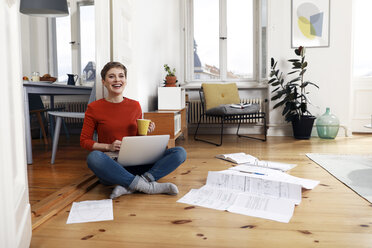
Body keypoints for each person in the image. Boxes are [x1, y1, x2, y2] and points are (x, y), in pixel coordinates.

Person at [80, 61, 187, 199]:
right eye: (111, 76)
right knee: (94, 158)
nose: (117, 80)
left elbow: (137, 138)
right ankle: (148, 186)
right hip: (113, 165)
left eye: (121, 76)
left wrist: (146, 132)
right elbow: (84, 141)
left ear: (125, 80)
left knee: (179, 152)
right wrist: (109, 146)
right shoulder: (94, 108)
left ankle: (130, 185)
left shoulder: (134, 106)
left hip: (138, 163)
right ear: (104, 82)